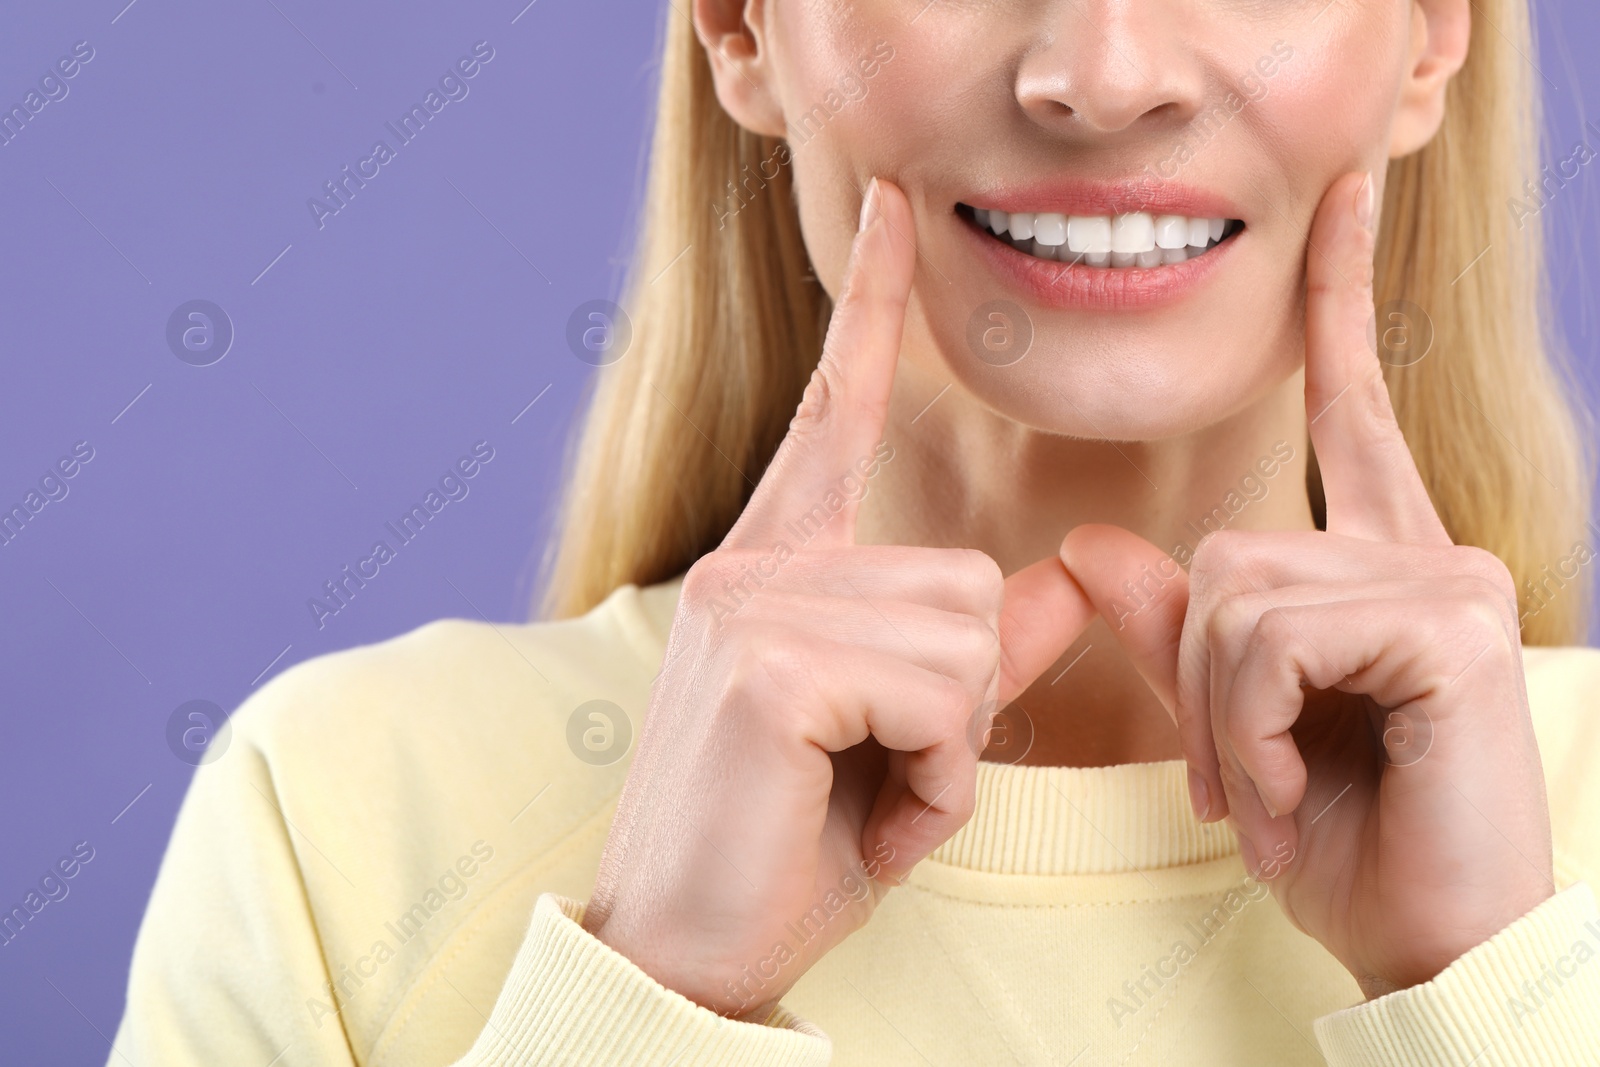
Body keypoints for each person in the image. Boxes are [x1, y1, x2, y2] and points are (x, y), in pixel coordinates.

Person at [112, 0, 1600, 1062]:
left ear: (1438, 31)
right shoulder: (334, 815)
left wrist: (1493, 1000)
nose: (1102, 70)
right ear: (743, 27)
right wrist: (650, 998)